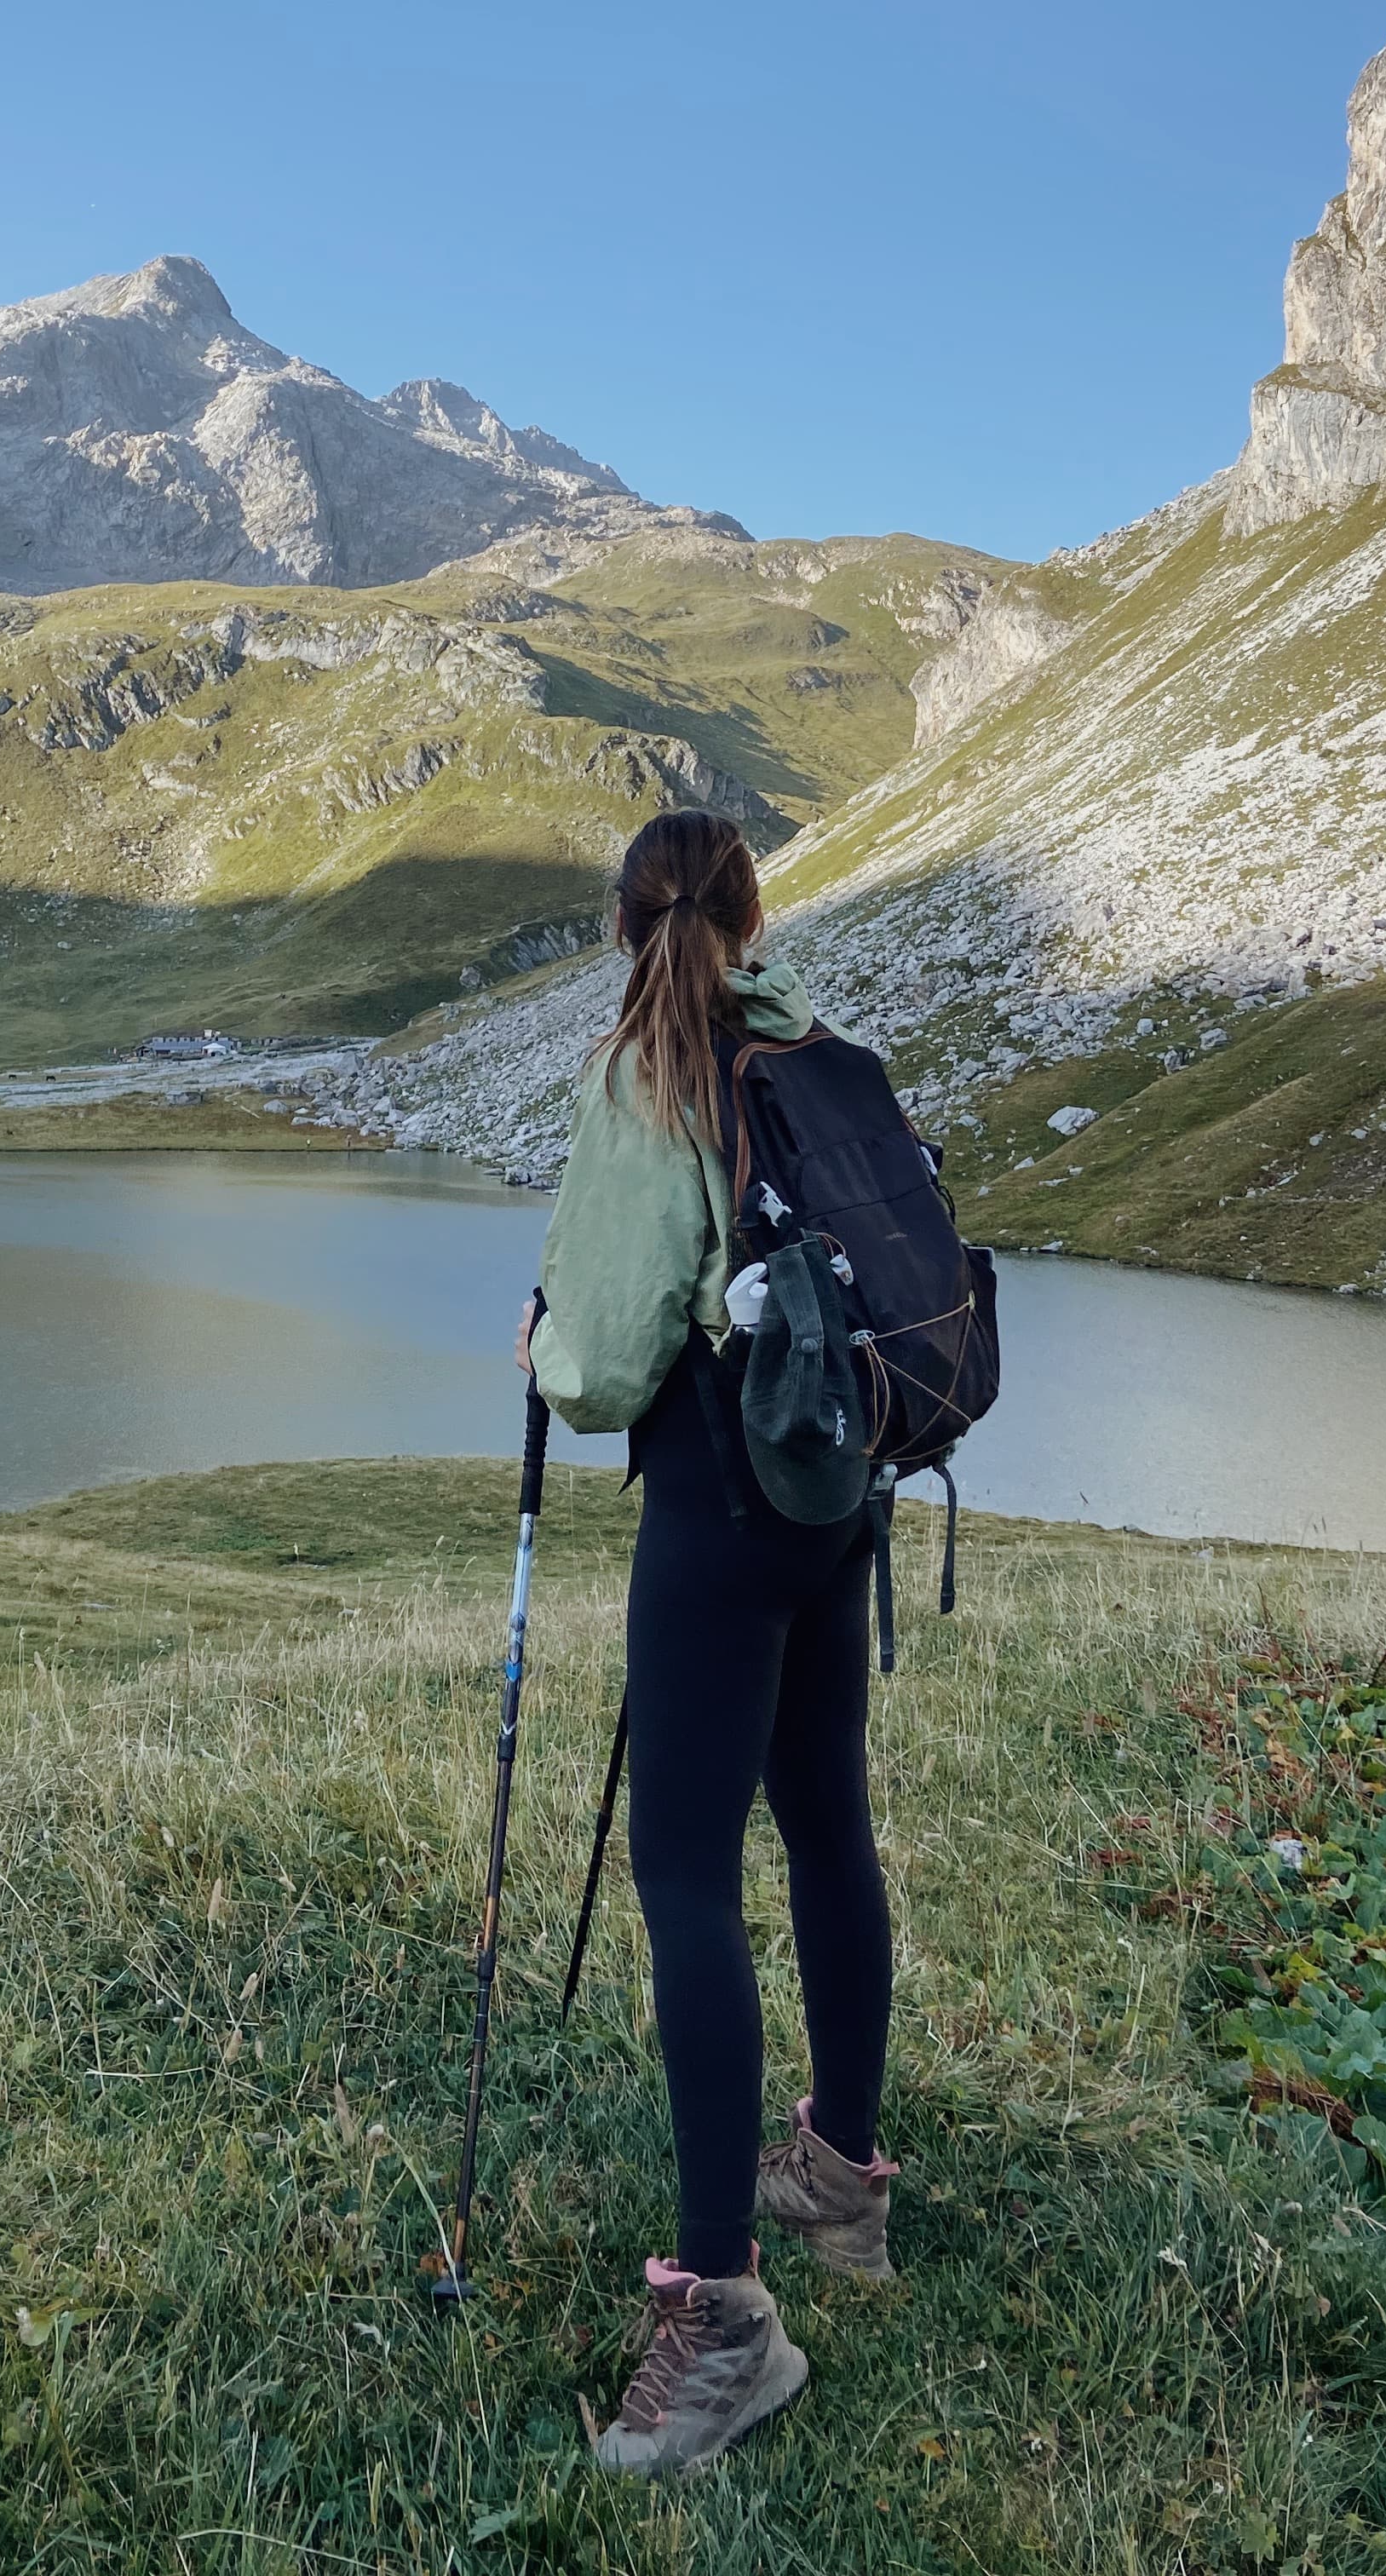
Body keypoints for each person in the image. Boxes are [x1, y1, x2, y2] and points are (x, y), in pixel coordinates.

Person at [517, 805, 897, 2479]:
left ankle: (725, 2317)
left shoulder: (646, 1081)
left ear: (626, 926)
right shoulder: (814, 1052)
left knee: (684, 1872)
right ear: (754, 919)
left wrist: (541, 1351)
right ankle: (843, 2179)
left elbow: (603, 1367)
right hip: (836, 1498)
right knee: (825, 1819)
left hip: (716, 1512)